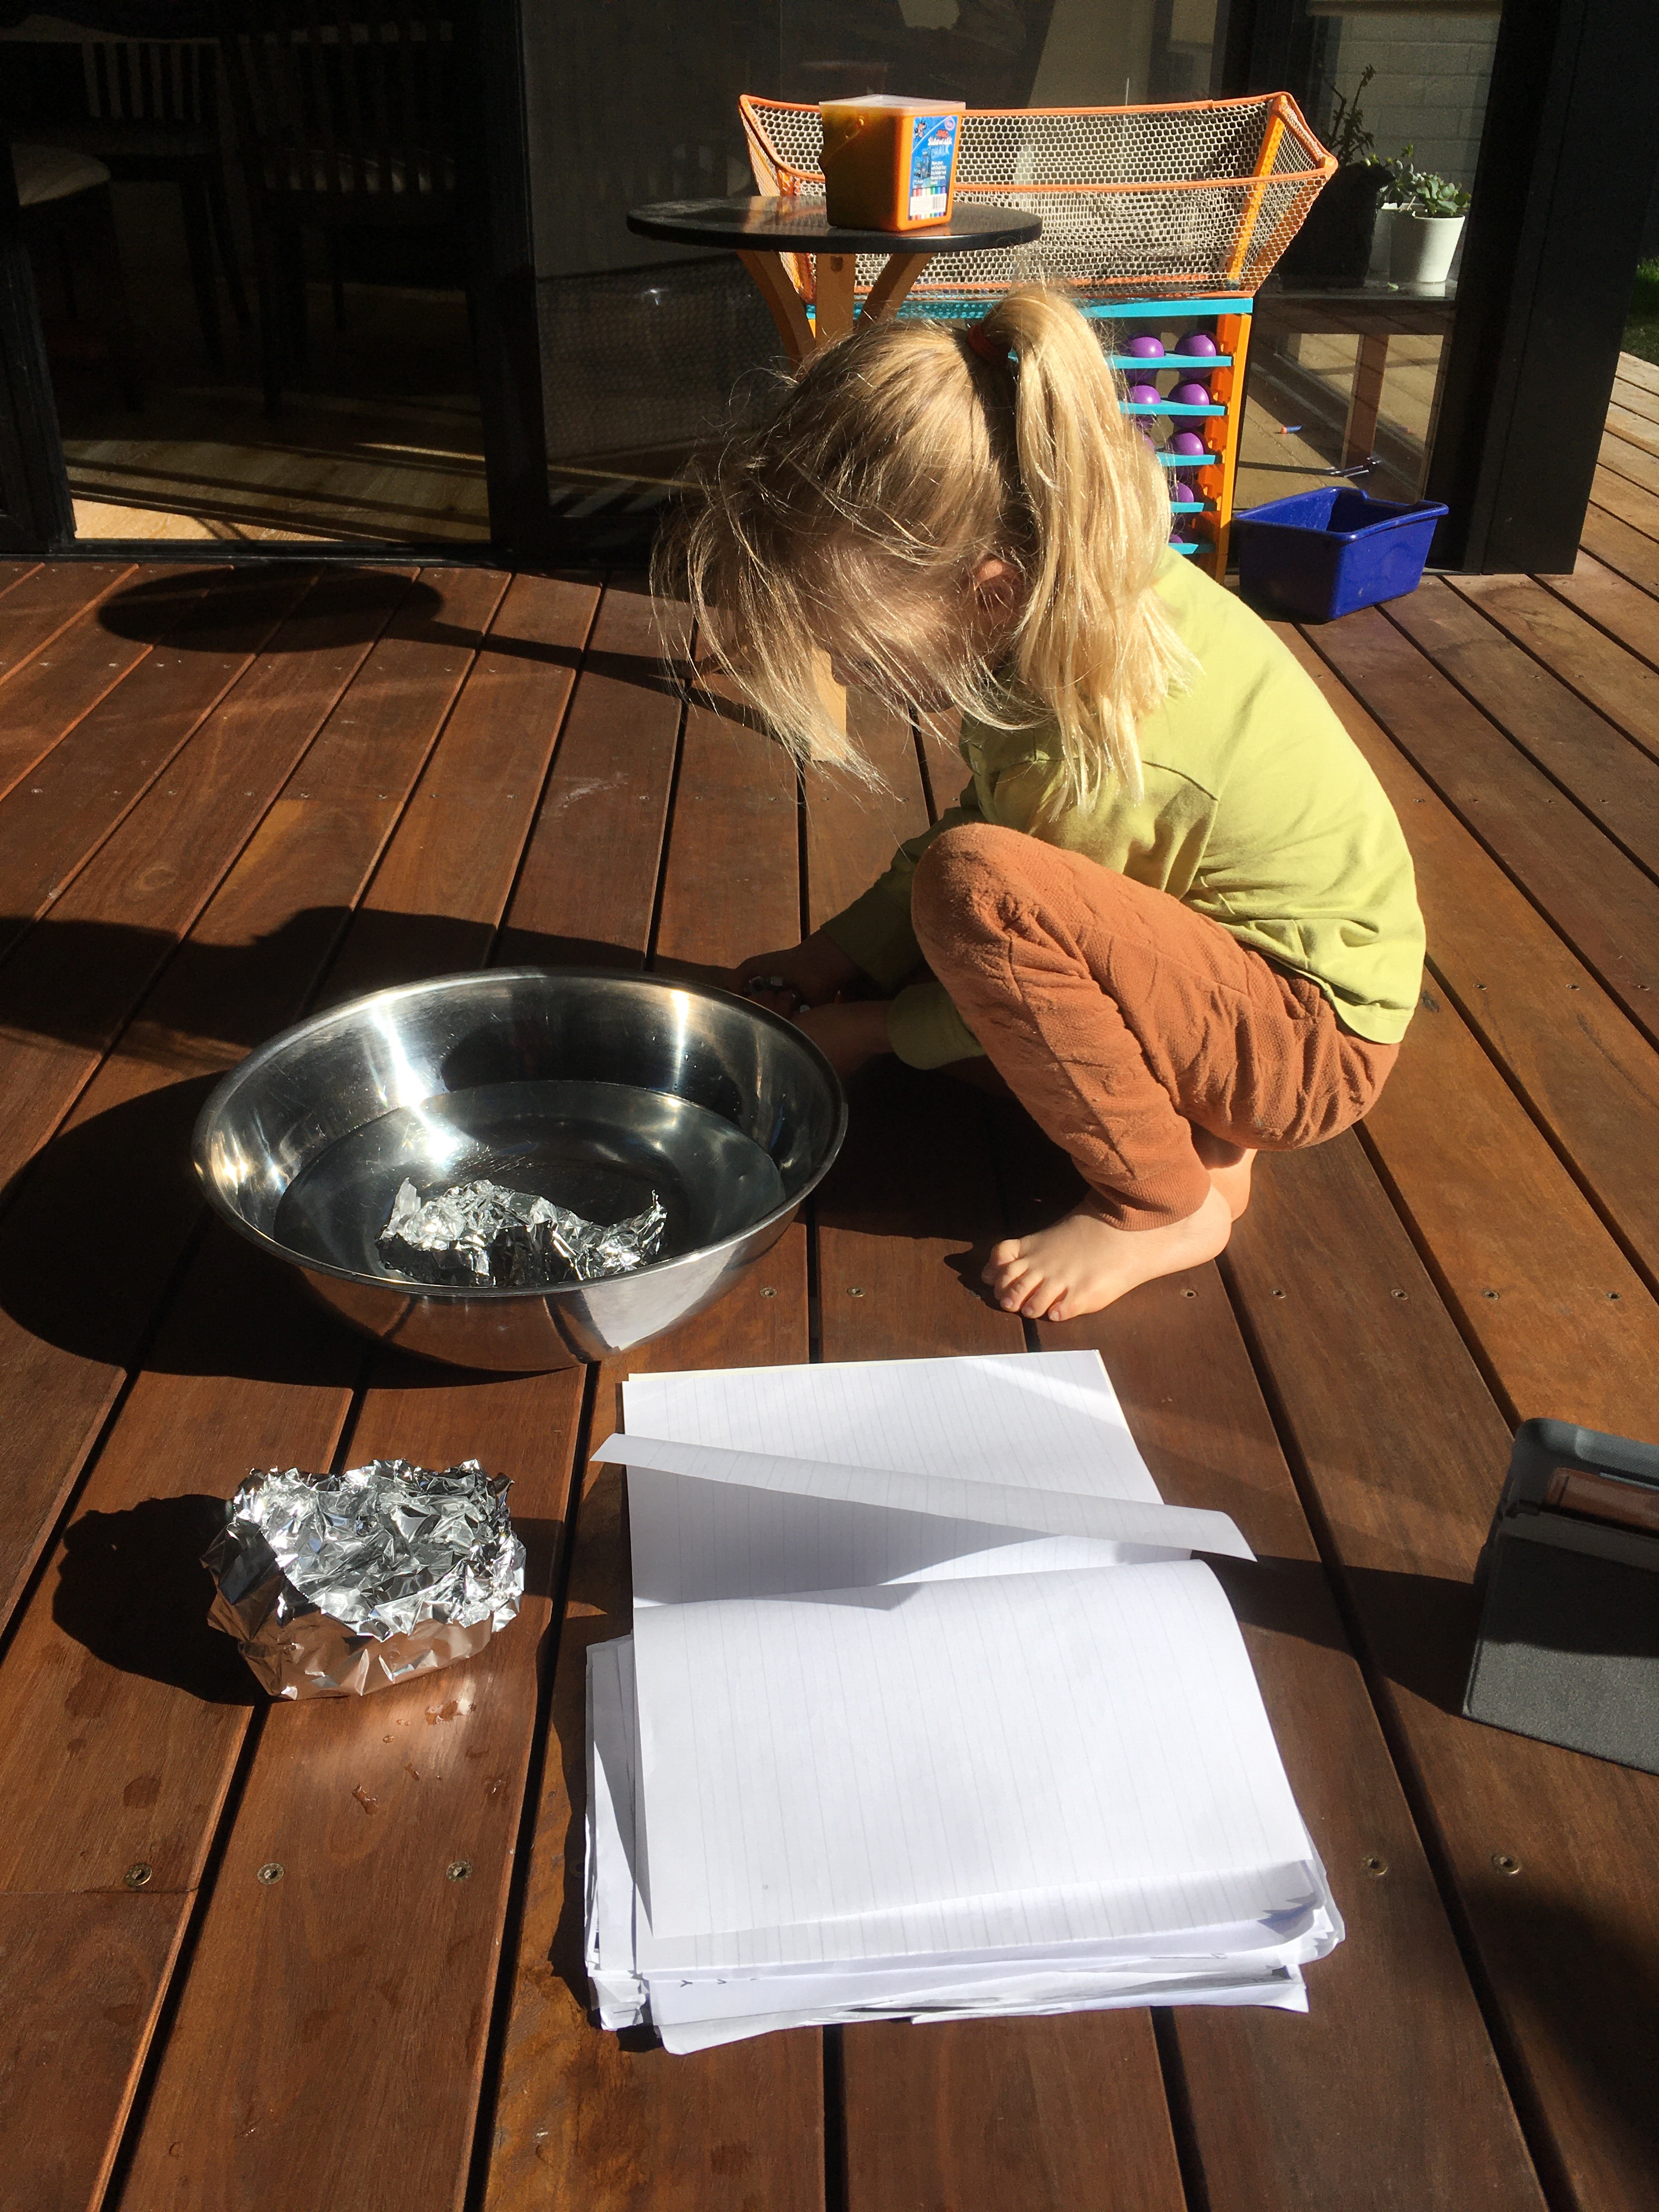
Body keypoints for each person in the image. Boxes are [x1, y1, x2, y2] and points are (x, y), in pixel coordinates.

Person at [654, 286, 1425, 1322]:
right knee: (963, 905)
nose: (846, 668)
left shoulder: (1096, 744)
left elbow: (1002, 919)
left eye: (857, 645)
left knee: (973, 907)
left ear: (989, 591)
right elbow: (991, 831)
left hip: (1306, 1044)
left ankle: (1163, 1205)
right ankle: (1201, 1122)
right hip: (1223, 976)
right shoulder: (1074, 604)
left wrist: (870, 1029)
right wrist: (828, 960)